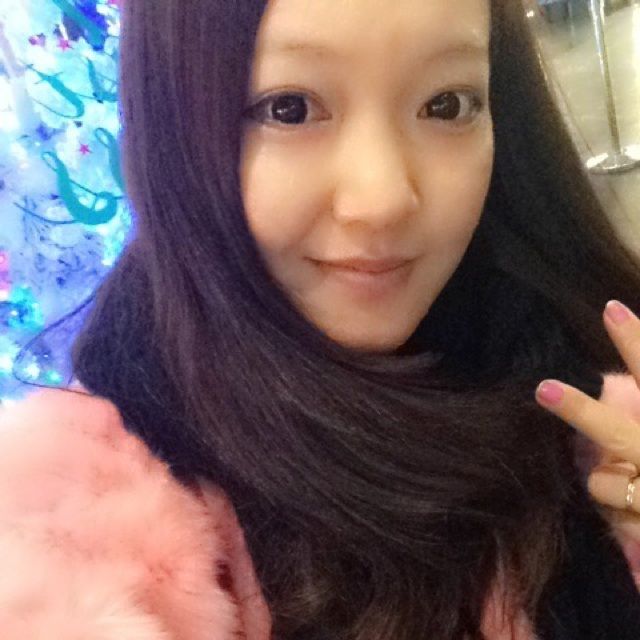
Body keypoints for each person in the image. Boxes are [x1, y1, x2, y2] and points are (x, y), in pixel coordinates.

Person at [2, 0, 640, 638]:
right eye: (290, 109)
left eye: (446, 104)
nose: (383, 199)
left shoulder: (584, 377)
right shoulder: (74, 545)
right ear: (177, 126)